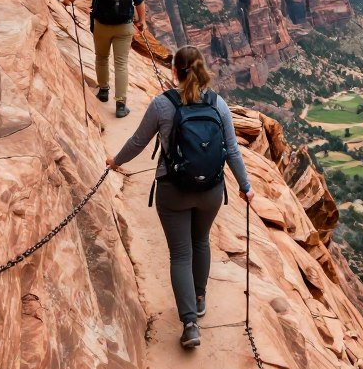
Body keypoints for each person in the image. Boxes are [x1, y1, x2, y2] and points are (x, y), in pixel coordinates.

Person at [106, 46, 254, 349]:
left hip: (173, 191)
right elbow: (232, 150)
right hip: (211, 191)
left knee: (180, 254)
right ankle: (199, 299)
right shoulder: (218, 104)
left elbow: (137, 141)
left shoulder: (162, 105)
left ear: (175, 71)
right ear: (201, 69)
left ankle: (190, 323)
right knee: (201, 242)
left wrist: (116, 161)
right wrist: (245, 186)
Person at [63, 0, 146, 118]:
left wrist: (66, 2)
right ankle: (121, 105)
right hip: (124, 25)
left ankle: (103, 91)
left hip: (101, 24)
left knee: (101, 57)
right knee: (121, 64)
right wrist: (142, 21)